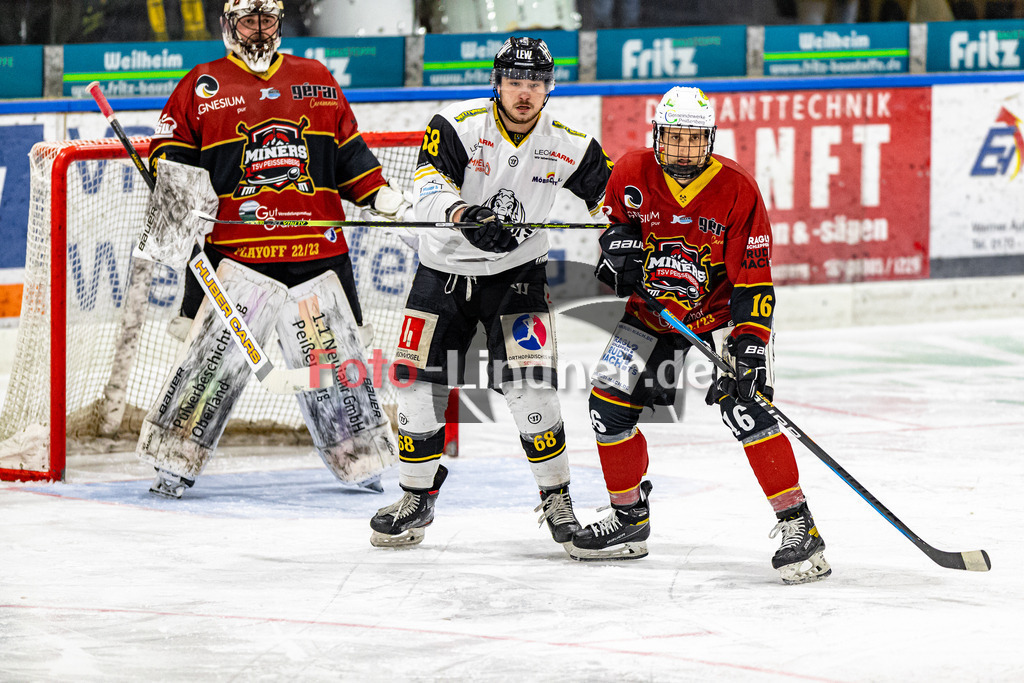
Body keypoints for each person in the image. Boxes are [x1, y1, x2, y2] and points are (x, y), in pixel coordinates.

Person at [141, 0, 407, 497]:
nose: (258, 30)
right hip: (235, 260)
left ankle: (362, 460)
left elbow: (348, 152)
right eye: (248, 20)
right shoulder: (203, 84)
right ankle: (174, 461)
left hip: (316, 255)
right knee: (211, 368)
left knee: (336, 371)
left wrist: (378, 192)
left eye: (266, 20)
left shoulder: (315, 78)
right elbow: (170, 153)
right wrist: (172, 179)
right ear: (228, 24)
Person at [570, 86, 832, 584]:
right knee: (606, 404)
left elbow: (754, 276)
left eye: (694, 139)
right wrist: (615, 258)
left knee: (747, 408)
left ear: (709, 139)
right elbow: (616, 238)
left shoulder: (737, 187)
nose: (684, 149)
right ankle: (629, 521)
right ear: (657, 137)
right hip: (653, 314)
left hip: (721, 316)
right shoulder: (629, 172)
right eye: (674, 138)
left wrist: (750, 345)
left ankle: (800, 527)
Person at [368, 37, 614, 552]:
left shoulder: (568, 141)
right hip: (443, 271)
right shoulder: (455, 124)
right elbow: (430, 186)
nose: (524, 94)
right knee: (415, 385)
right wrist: (466, 216)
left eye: (535, 84)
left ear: (549, 88)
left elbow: (610, 200)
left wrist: (623, 242)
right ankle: (416, 497)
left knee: (533, 390)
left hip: (518, 276)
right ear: (496, 83)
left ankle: (558, 501)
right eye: (514, 82)